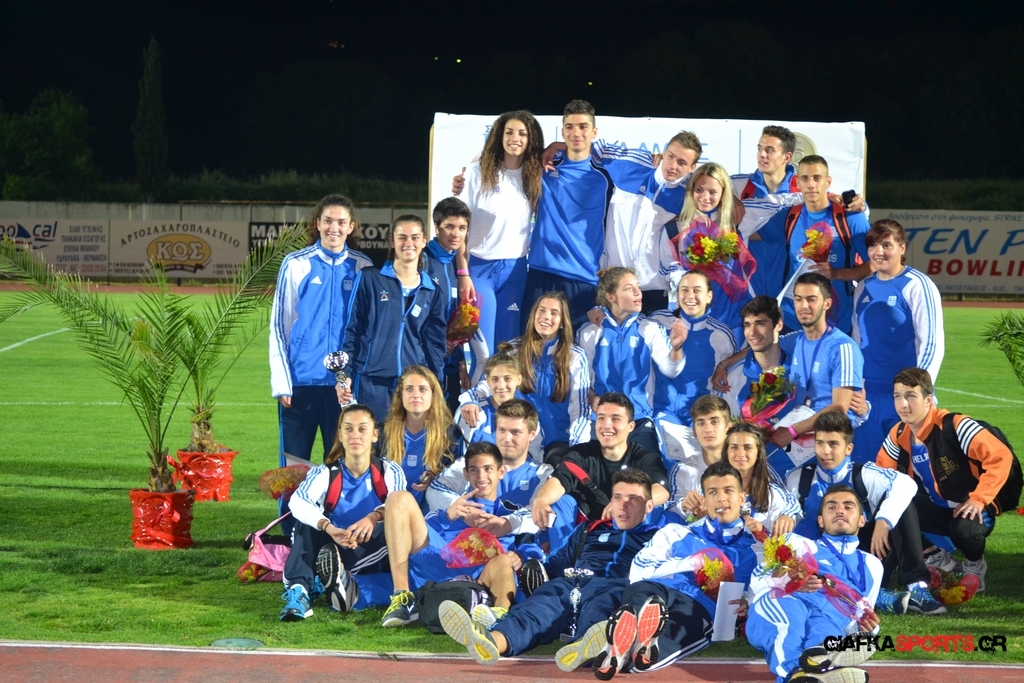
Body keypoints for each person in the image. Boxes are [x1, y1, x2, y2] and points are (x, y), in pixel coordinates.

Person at [436, 469, 661, 665]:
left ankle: (587, 647)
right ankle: (492, 641)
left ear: (649, 506)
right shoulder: (590, 529)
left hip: (615, 587)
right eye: (618, 497)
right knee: (541, 604)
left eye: (633, 499)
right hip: (573, 583)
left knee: (601, 608)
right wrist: (531, 566)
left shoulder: (660, 538)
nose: (623, 505)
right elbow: (555, 564)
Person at [583, 461, 761, 678]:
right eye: (713, 492)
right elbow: (638, 571)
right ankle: (631, 638)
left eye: (728, 491)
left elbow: (764, 590)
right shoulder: (675, 532)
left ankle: (625, 652)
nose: (721, 498)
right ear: (704, 500)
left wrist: (748, 603)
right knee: (643, 594)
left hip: (700, 606)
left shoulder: (757, 549)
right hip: (657, 589)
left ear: (742, 498)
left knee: (676, 630)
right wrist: (691, 563)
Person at [787, 411, 943, 615]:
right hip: (823, 561)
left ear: (848, 448)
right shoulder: (799, 479)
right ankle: (876, 596)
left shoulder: (862, 474)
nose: (825, 451)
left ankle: (917, 586)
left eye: (833, 444)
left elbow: (906, 483)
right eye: (820, 443)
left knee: (902, 505)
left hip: (866, 555)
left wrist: (883, 521)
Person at [372, 442, 543, 628]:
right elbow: (418, 535)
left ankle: (499, 618)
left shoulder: (511, 515)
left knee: (503, 561)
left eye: (488, 469)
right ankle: (403, 597)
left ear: (501, 472)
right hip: (438, 566)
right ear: (466, 474)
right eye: (474, 470)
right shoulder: (449, 508)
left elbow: (533, 548)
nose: (481, 476)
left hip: (481, 579)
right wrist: (447, 516)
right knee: (398, 497)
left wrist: (520, 555)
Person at [878, 367, 1018, 592]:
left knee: (966, 530)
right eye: (897, 396)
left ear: (928, 400)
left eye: (911, 396)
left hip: (972, 507)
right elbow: (881, 475)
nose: (903, 404)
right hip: (938, 507)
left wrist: (979, 499)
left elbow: (1001, 456)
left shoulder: (956, 425)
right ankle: (936, 557)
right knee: (890, 505)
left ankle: (974, 564)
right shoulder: (899, 433)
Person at [270, 194, 373, 463]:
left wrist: (356, 379)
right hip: (301, 382)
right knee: (293, 467)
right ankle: (292, 498)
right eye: (328, 221)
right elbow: (279, 326)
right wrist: (282, 382)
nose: (333, 228)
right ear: (317, 223)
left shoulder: (363, 267)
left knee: (342, 465)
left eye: (341, 222)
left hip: (344, 386)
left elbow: (367, 331)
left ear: (351, 227)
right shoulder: (296, 263)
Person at [746, 484, 883, 683]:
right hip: (783, 605)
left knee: (824, 639)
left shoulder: (872, 565)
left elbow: (858, 614)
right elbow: (758, 580)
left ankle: (816, 669)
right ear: (820, 520)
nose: (840, 511)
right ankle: (796, 669)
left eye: (848, 506)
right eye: (831, 507)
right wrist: (791, 583)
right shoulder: (795, 543)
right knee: (790, 625)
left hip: (827, 621)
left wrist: (868, 629)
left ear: (862, 520)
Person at [279, 404, 404, 621]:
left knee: (394, 523)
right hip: (335, 543)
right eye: (348, 429)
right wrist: (328, 527)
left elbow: (399, 501)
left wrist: (373, 517)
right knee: (306, 522)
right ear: (340, 435)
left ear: (375, 435)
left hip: (370, 548)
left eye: (362, 429)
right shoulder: (326, 472)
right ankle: (299, 593)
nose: (355, 435)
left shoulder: (389, 470)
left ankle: (331, 579)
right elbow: (298, 501)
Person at [452, 111, 545, 382]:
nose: (515, 138)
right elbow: (459, 228)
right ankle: (476, 407)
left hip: (516, 272)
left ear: (530, 139)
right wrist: (463, 273)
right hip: (479, 272)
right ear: (499, 136)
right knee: (484, 355)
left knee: (509, 353)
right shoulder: (477, 172)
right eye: (509, 132)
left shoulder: (534, 176)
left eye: (522, 133)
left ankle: (506, 409)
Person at [460, 291, 592, 463]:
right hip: (518, 437)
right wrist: (469, 400)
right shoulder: (514, 349)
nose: (546, 316)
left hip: (558, 442)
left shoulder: (575, 356)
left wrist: (576, 451)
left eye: (554, 313)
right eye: (541, 310)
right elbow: (489, 383)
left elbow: (579, 409)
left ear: (562, 322)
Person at [851, 218, 944, 462]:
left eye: (887, 245)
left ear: (902, 248)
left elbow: (931, 344)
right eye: (873, 246)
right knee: (865, 469)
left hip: (903, 397)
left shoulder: (918, 285)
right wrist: (854, 386)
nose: (878, 252)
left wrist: (916, 391)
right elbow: (857, 341)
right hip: (867, 398)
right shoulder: (862, 288)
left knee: (909, 472)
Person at [752, 155, 872, 335]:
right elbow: (749, 234)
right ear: (797, 182)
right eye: (805, 178)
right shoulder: (789, 217)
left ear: (828, 181)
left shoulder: (851, 218)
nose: (811, 184)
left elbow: (874, 266)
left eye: (817, 178)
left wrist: (837, 274)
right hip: (793, 320)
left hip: (836, 321)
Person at [521, 100, 614, 331]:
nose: (576, 133)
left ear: (594, 132)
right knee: (531, 346)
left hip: (583, 278)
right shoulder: (544, 165)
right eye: (569, 127)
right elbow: (500, 159)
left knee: (577, 348)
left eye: (583, 127)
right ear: (562, 131)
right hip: (541, 273)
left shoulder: (607, 174)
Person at [664, 162, 783, 341]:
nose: (705, 197)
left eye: (713, 192)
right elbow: (669, 272)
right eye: (699, 190)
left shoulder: (737, 218)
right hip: (695, 315)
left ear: (724, 193)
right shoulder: (676, 225)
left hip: (735, 314)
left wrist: (819, 193)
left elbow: (778, 202)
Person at [342, 215, 446, 419]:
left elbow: (434, 344)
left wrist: (437, 384)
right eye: (402, 237)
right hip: (371, 382)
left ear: (424, 241)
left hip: (412, 386)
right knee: (371, 438)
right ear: (392, 241)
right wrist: (345, 374)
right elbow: (352, 329)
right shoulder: (370, 279)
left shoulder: (432, 290)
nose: (409, 243)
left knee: (408, 439)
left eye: (415, 238)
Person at [576, 267, 686, 453]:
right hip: (601, 420)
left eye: (638, 286)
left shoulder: (649, 328)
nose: (638, 292)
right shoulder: (590, 332)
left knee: (645, 469)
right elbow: (580, 378)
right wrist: (591, 396)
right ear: (611, 297)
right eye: (629, 288)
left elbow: (670, 369)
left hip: (639, 418)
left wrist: (676, 348)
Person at [531, 393, 670, 528]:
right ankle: (565, 544)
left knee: (649, 505)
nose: (606, 425)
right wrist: (541, 499)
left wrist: (624, 502)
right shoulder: (581, 453)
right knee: (560, 502)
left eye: (615, 419)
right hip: (587, 527)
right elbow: (559, 480)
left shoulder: (644, 457)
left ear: (631, 426)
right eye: (601, 418)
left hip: (630, 527)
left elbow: (661, 490)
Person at [771, 273, 864, 452]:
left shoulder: (842, 347)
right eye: (798, 299)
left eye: (811, 299)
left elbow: (839, 408)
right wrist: (725, 365)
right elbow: (762, 344)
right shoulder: (796, 339)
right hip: (797, 434)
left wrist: (792, 430)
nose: (804, 306)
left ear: (827, 304)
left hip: (828, 440)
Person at [648, 270, 736, 427]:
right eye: (684, 290)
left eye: (697, 290)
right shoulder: (658, 321)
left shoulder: (722, 335)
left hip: (701, 416)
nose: (690, 296)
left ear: (709, 296)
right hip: (662, 411)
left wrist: (724, 365)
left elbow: (736, 366)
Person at [379, 366, 459, 509]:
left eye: (422, 389)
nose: (415, 395)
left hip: (432, 513)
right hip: (390, 510)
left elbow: (458, 478)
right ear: (400, 395)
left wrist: (434, 477)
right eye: (409, 389)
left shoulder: (450, 434)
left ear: (433, 395)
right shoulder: (383, 432)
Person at [424, 197, 472, 414]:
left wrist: (461, 361)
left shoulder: (461, 266)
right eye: (449, 227)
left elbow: (459, 315)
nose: (456, 234)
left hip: (451, 364)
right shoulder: (422, 260)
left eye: (462, 228)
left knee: (449, 427)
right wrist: (437, 341)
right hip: (425, 362)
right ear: (436, 227)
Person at [723, 423, 801, 536]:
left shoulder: (772, 494)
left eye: (747, 447)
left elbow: (794, 509)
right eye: (734, 447)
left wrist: (787, 517)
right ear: (727, 451)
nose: (740, 453)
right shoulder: (712, 488)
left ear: (758, 453)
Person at [665, 395, 732, 519]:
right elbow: (670, 508)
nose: (707, 429)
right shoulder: (683, 469)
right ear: (694, 431)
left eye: (714, 422)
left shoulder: (745, 465)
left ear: (728, 428)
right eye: (701, 423)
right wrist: (684, 506)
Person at [455, 352, 527, 453]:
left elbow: (535, 454)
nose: (501, 386)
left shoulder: (527, 415)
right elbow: (457, 454)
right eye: (495, 379)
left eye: (507, 379)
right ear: (488, 381)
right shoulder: (472, 412)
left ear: (519, 379)